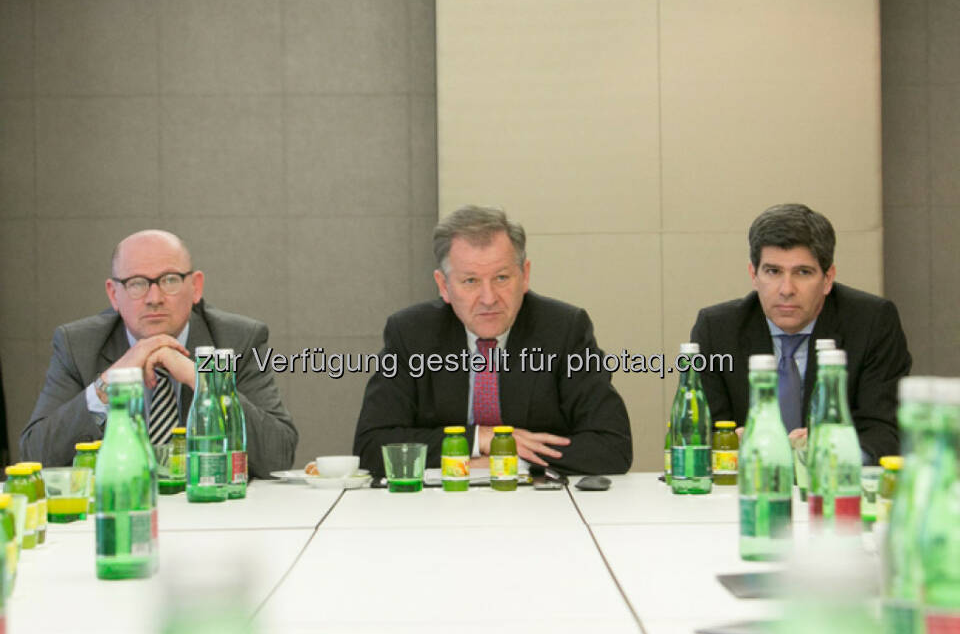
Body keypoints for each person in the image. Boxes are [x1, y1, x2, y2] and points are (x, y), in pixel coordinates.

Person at [353, 205, 632, 477]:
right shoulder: (411, 333)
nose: (488, 298)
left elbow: (612, 447)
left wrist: (506, 462)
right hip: (437, 508)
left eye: (501, 278)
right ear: (444, 286)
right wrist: (478, 440)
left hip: (541, 508)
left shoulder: (564, 330)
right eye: (471, 281)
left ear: (525, 276)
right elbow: (371, 448)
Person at [21, 229, 297, 476]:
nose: (154, 298)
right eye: (136, 283)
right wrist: (108, 384)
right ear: (114, 294)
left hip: (209, 508)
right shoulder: (78, 344)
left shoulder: (236, 341)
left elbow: (279, 456)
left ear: (196, 286)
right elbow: (36, 455)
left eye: (169, 280)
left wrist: (204, 381)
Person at [690, 203, 910, 463]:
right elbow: (702, 429)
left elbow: (884, 430)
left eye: (803, 273)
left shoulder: (872, 322)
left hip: (836, 488)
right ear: (754, 275)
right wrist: (725, 445)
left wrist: (833, 452)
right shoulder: (716, 329)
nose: (786, 289)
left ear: (828, 278)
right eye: (773, 271)